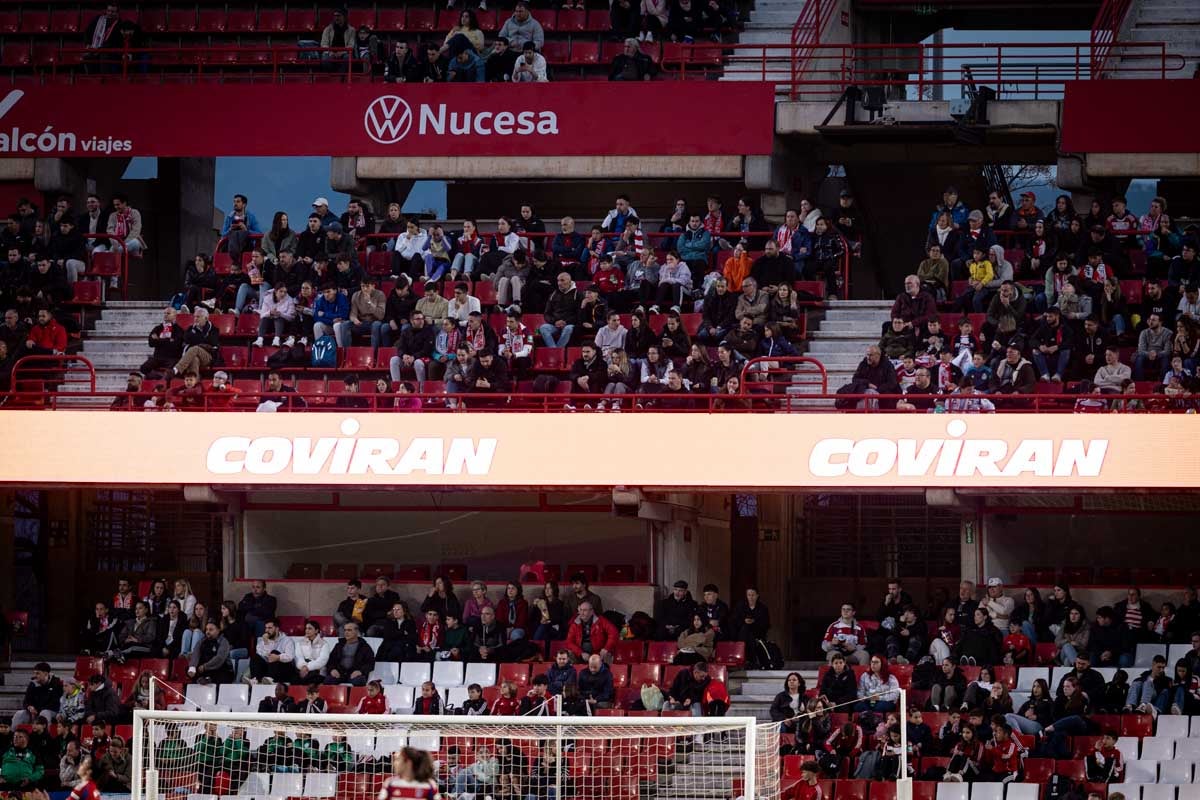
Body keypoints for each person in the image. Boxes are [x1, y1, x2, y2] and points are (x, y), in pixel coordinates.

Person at [247, 617, 296, 685]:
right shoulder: (263, 641)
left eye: (270, 628)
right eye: (266, 628)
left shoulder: (287, 640)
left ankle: (270, 679)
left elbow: (290, 657)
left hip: (283, 670)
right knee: (255, 657)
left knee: (274, 652)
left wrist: (278, 657)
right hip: (268, 669)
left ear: (277, 628)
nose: (267, 630)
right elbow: (263, 656)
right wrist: (266, 643)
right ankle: (255, 680)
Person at [11, 662, 62, 727]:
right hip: (35, 711)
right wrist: (29, 707)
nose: (35, 676)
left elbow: (54, 704)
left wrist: (37, 710)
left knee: (44, 713)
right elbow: (26, 701)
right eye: (34, 673)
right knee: (20, 714)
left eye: (38, 673)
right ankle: (14, 735)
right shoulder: (33, 683)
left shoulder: (56, 683)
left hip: (52, 711)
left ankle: (44, 736)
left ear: (46, 674)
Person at [324, 622, 375, 686]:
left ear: (356, 631)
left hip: (355, 674)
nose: (346, 632)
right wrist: (332, 669)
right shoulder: (339, 645)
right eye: (345, 630)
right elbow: (331, 660)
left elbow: (370, 663)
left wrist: (360, 671)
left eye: (349, 630)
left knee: (359, 681)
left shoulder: (364, 647)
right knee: (328, 680)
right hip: (340, 673)